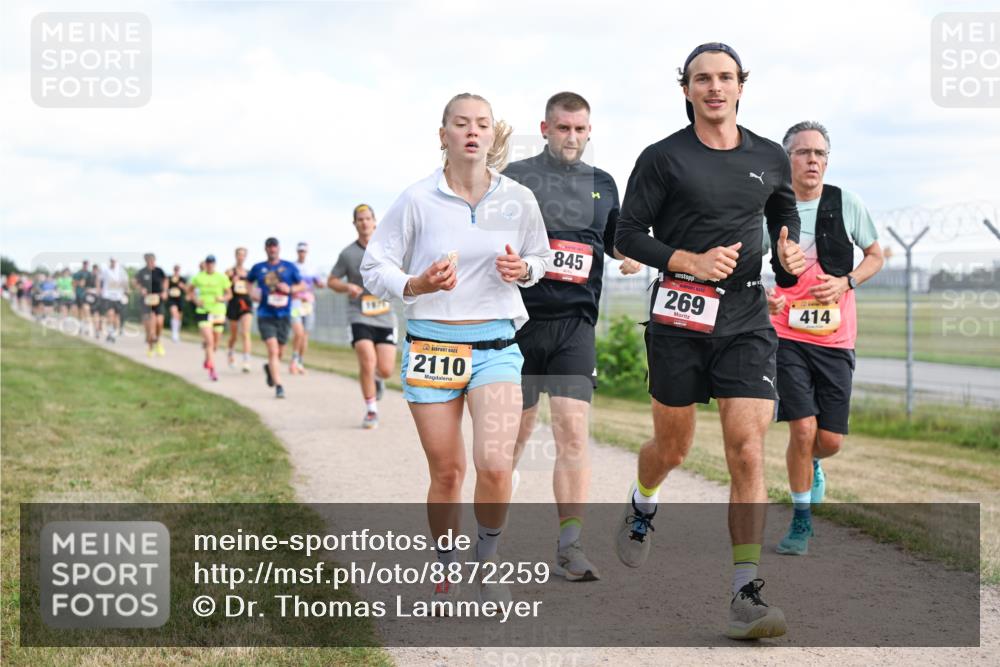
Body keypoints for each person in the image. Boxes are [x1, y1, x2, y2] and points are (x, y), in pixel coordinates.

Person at [613, 43, 806, 639]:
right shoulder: (662, 158)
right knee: (672, 447)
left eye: (725, 77)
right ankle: (643, 500)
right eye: (703, 79)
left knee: (746, 449)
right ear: (687, 89)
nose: (714, 87)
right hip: (679, 314)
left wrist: (789, 255)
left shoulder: (771, 156)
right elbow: (625, 233)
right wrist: (689, 260)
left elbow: (784, 218)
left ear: (741, 86)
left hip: (746, 314)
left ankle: (744, 592)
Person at [362, 92, 550, 609]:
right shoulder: (417, 199)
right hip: (432, 346)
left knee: (494, 464)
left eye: (482, 124)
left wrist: (524, 271)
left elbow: (540, 255)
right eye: (461, 123)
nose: (472, 131)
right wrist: (417, 284)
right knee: (447, 473)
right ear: (442, 133)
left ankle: (487, 559)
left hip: (495, 345)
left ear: (493, 135)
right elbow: (374, 267)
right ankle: (444, 564)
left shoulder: (518, 198)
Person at [503, 91, 641, 582]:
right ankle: (488, 540)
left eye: (581, 129)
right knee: (510, 440)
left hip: (575, 328)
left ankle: (569, 545)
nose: (573, 137)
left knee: (572, 433)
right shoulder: (516, 179)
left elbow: (614, 238)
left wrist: (627, 253)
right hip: (518, 326)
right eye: (563, 128)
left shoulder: (602, 184)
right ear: (545, 129)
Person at [763, 121, 884, 556]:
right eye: (803, 152)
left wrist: (846, 282)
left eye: (819, 154)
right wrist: (766, 299)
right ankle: (800, 521)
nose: (812, 160)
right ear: (787, 159)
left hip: (836, 340)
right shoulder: (772, 209)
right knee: (801, 427)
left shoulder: (845, 203)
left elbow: (876, 256)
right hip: (787, 337)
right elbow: (746, 267)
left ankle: (812, 463)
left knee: (828, 439)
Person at [329, 204, 399, 429]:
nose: (364, 223)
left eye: (368, 218)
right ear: (355, 224)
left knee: (386, 369)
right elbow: (331, 280)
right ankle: (371, 411)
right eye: (360, 219)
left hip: (384, 315)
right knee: (367, 360)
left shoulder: (387, 250)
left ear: (375, 222)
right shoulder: (347, 254)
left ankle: (377, 380)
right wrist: (347, 286)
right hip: (359, 313)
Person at [247, 238, 305, 399]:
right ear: (265, 249)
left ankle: (270, 369)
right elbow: (248, 282)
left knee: (279, 352)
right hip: (265, 314)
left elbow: (302, 285)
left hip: (284, 315)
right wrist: (252, 294)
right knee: (272, 350)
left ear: (279, 249)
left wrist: (290, 288)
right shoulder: (258, 268)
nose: (272, 250)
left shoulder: (289, 267)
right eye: (269, 247)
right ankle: (279, 386)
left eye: (275, 247)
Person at [188, 255, 232, 381]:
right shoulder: (198, 277)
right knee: (210, 341)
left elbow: (229, 294)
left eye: (212, 263)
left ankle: (208, 359)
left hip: (218, 311)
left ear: (215, 264)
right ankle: (212, 370)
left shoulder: (221, 277)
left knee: (216, 343)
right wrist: (196, 300)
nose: (210, 265)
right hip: (203, 311)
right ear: (205, 264)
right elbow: (189, 291)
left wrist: (222, 298)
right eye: (208, 263)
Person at [290, 241, 325, 375]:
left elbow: (319, 282)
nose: (302, 253)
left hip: (308, 303)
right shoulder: (292, 267)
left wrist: (321, 284)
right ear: (297, 252)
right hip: (295, 302)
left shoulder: (312, 267)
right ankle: (294, 359)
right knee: (298, 332)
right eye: (300, 251)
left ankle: (300, 361)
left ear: (307, 252)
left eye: (304, 251)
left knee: (305, 335)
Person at [225, 247, 254, 372]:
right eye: (239, 255)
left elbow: (251, 288)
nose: (241, 257)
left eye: (243, 255)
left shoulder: (249, 273)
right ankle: (231, 353)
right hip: (233, 303)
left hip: (246, 303)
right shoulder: (229, 272)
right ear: (235, 256)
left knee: (246, 332)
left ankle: (246, 360)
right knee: (234, 335)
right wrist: (231, 282)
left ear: (245, 257)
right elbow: (224, 289)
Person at [134, 253, 167, 357]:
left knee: (159, 322)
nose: (151, 262)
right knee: (149, 324)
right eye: (148, 260)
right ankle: (150, 345)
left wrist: (165, 291)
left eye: (152, 260)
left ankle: (157, 340)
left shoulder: (159, 271)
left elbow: (166, 280)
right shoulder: (142, 272)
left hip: (158, 299)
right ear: (145, 261)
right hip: (146, 300)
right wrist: (141, 289)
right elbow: (135, 282)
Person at [98, 257, 129, 343]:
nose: (113, 263)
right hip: (108, 296)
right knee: (110, 314)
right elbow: (99, 279)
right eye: (111, 261)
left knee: (117, 317)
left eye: (114, 261)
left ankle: (113, 333)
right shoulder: (105, 270)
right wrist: (99, 290)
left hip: (118, 297)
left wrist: (126, 293)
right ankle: (110, 334)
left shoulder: (122, 271)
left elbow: (125, 283)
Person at [166, 265, 187, 343]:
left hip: (180, 299)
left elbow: (187, 289)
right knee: (174, 314)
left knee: (179, 317)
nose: (176, 271)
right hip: (172, 299)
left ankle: (177, 332)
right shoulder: (169, 278)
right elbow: (165, 287)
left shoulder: (182, 279)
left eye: (177, 270)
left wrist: (182, 286)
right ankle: (174, 334)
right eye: (175, 269)